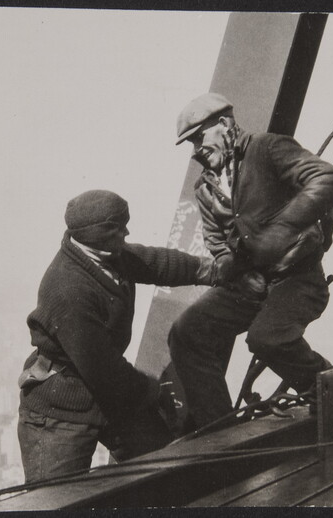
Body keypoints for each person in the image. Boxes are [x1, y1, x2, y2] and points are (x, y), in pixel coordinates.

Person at [168, 93, 333, 429]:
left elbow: (329, 179)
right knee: (187, 332)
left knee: (267, 338)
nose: (195, 150)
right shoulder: (204, 188)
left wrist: (282, 228)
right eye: (190, 142)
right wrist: (229, 269)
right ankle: (218, 432)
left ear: (223, 124)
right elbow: (217, 246)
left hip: (297, 278)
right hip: (249, 284)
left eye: (197, 137)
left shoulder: (267, 149)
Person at [17, 189, 214, 483]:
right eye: (117, 227)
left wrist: (211, 270)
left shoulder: (108, 256)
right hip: (61, 411)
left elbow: (156, 263)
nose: (126, 232)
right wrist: (153, 390)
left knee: (167, 469)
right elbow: (104, 371)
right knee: (54, 501)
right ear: (95, 234)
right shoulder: (67, 288)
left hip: (109, 395)